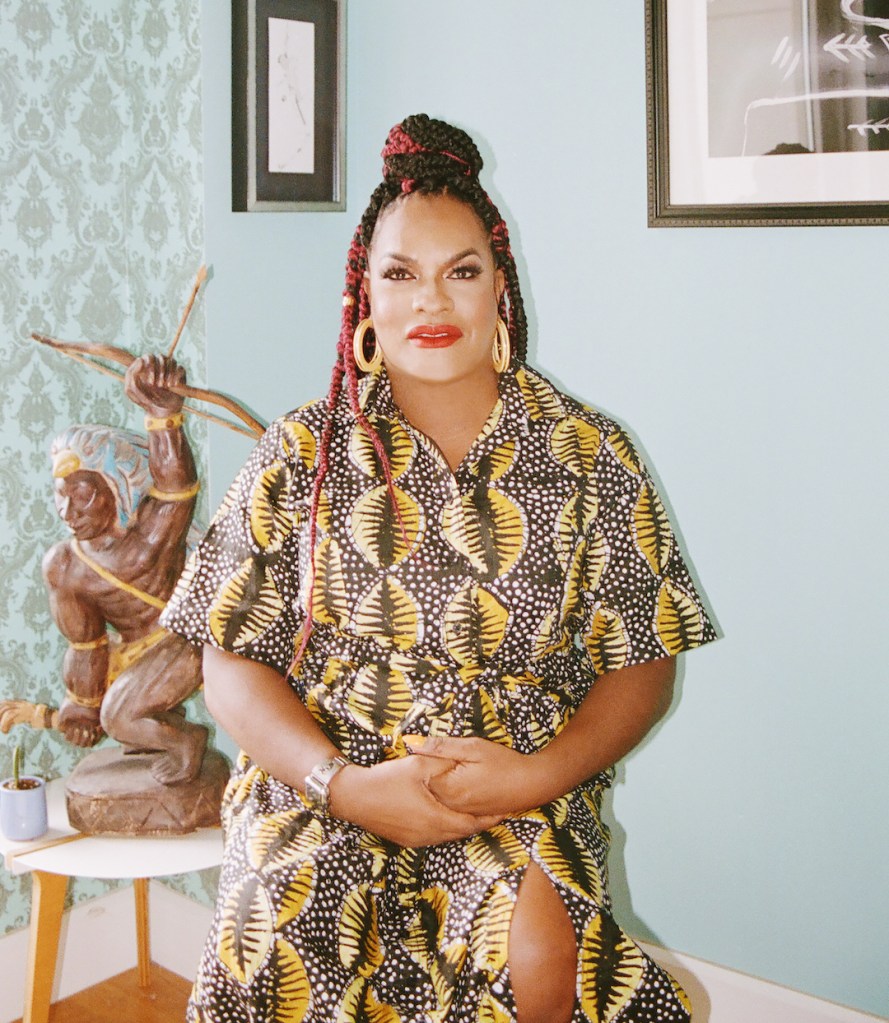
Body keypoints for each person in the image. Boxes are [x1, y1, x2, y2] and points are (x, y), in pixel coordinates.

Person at [161, 114, 716, 1023]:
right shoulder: (301, 451)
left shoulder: (587, 453)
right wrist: (338, 782)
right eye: (400, 275)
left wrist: (534, 777)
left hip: (513, 773)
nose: (431, 303)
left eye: (461, 271)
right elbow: (228, 661)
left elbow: (643, 661)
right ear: (363, 297)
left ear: (500, 285)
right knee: (280, 920)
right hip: (325, 771)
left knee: (538, 955)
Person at [44, 354, 207, 785]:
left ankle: (186, 741)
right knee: (114, 710)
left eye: (82, 495)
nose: (68, 512)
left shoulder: (150, 539)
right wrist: (81, 703)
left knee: (119, 716)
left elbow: (175, 486)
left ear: (113, 487)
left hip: (184, 640)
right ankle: (145, 729)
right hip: (131, 656)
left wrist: (162, 415)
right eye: (61, 496)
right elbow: (86, 645)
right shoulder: (65, 566)